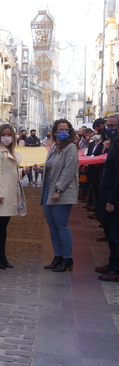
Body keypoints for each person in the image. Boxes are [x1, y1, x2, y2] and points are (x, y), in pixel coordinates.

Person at [33, 119, 79, 272]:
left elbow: (68, 171)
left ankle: (67, 258)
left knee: (62, 225)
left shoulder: (71, 148)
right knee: (52, 226)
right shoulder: (53, 147)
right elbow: (51, 169)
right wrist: (38, 170)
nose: (63, 132)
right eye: (60, 129)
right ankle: (57, 256)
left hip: (61, 191)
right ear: (54, 132)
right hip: (48, 189)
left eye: (66, 129)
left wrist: (58, 190)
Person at [0, 124, 26, 269]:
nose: (7, 137)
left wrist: (23, 172)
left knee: (3, 226)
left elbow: (10, 172)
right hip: (0, 194)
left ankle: (1, 255)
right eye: (4, 134)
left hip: (10, 192)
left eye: (9, 134)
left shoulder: (10, 151)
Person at [96, 112, 119, 282]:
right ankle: (112, 264)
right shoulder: (114, 144)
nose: (108, 129)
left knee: (116, 235)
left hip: (113, 198)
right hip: (106, 195)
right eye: (108, 126)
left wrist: (113, 200)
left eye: (112, 126)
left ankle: (117, 269)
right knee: (110, 234)